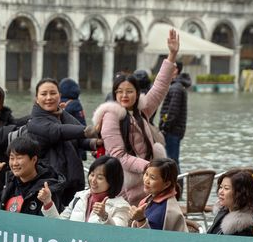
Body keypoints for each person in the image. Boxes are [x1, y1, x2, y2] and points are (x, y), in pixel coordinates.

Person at [94, 28, 179, 206]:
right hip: (126, 182)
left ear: (137, 93)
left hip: (147, 180)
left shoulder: (141, 110)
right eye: (120, 92)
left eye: (129, 91)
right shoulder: (111, 116)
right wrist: (148, 167)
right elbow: (118, 155)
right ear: (114, 94)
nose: (124, 95)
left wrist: (171, 55)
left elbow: (160, 87)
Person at [25, 78, 98, 208]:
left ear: (60, 95)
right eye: (44, 94)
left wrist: (96, 143)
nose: (49, 97)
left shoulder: (63, 115)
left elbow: (80, 141)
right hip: (50, 186)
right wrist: (90, 130)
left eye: (53, 93)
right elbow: (58, 131)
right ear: (36, 98)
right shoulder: (35, 122)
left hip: (72, 183)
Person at [206, 168, 253, 236]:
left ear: (241, 193)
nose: (220, 192)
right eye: (220, 187)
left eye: (226, 188)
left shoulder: (244, 226)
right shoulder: (223, 211)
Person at [159, 61, 190, 168]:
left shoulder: (176, 87)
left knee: (171, 160)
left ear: (175, 70)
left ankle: (177, 183)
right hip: (175, 130)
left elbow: (172, 112)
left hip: (172, 131)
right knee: (172, 159)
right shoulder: (177, 86)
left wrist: (164, 127)